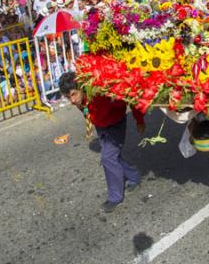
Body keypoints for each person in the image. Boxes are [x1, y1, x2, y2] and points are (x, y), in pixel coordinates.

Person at [58, 72, 145, 213]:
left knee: (108, 158)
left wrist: (139, 120)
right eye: (68, 97)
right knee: (112, 157)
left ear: (81, 87)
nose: (72, 100)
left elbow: (130, 98)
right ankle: (134, 176)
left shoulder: (101, 93)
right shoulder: (81, 98)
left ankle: (115, 197)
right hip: (101, 125)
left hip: (115, 124)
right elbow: (86, 109)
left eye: (74, 94)